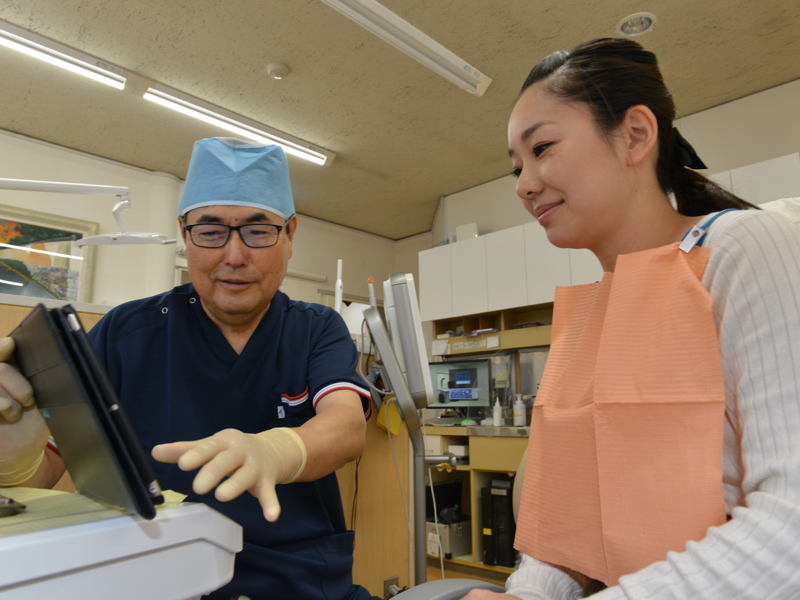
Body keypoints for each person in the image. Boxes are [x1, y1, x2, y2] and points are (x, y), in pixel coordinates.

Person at [465, 38, 800, 599]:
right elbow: (570, 527)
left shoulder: (743, 250)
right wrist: (527, 594)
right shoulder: (598, 312)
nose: (523, 185)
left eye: (542, 148)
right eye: (516, 166)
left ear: (636, 135)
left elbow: (789, 529)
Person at [0, 137, 377, 600]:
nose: (234, 256)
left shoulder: (317, 328)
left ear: (291, 235)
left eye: (258, 231)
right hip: (159, 579)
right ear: (184, 234)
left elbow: (345, 427)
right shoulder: (125, 333)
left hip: (297, 582)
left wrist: (277, 451)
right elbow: (52, 468)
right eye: (211, 231)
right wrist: (15, 461)